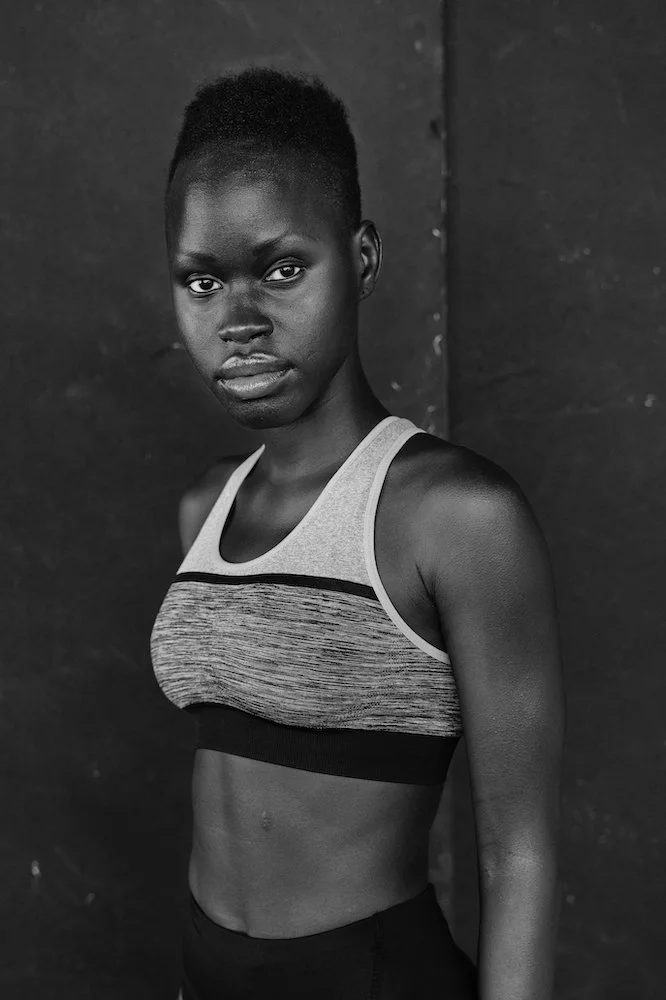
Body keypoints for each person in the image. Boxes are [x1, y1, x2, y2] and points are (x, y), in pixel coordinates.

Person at [150, 66, 565, 1000]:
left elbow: (518, 851)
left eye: (282, 269)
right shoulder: (204, 510)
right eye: (203, 281)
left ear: (363, 257)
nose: (240, 321)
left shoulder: (457, 516)